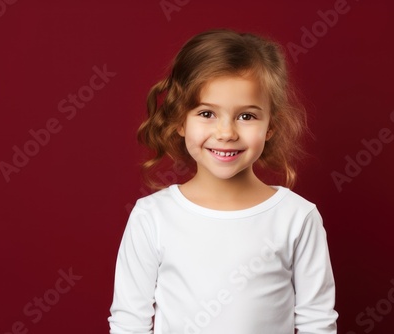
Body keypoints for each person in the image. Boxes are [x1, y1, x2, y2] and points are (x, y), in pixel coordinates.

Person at [108, 29, 338, 334]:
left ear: (271, 126)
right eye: (207, 113)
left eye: (246, 116)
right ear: (179, 120)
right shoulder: (152, 217)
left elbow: (317, 323)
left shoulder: (297, 218)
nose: (226, 133)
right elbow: (129, 324)